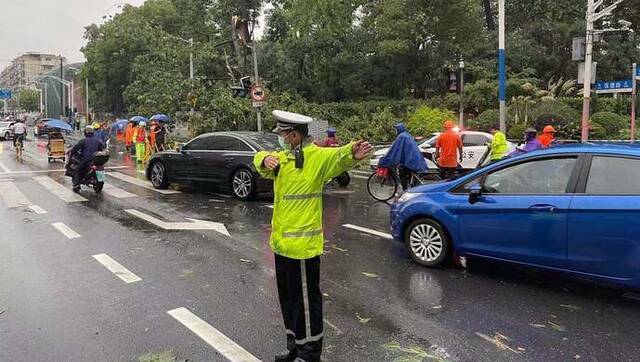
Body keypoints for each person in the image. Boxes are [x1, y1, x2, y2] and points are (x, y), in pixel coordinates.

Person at [253, 110, 373, 362]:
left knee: (306, 304)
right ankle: (294, 346)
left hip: (304, 248)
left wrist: (352, 151)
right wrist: (264, 160)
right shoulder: (284, 159)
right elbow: (260, 160)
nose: (281, 139)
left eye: (283, 135)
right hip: (282, 246)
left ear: (295, 135)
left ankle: (310, 354)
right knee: (288, 300)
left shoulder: (316, 157)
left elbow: (337, 156)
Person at [378, 123, 428, 190]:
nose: (395, 131)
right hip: (415, 159)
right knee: (407, 172)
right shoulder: (406, 135)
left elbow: (394, 150)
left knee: (402, 172)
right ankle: (410, 187)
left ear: (398, 129)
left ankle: (405, 190)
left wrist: (386, 158)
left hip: (411, 161)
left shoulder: (401, 136)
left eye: (396, 129)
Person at [69, 126, 105, 192]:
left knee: (77, 170)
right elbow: (102, 148)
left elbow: (75, 149)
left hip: (86, 160)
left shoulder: (83, 141)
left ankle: (76, 185)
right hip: (96, 160)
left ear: (85, 133)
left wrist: (72, 153)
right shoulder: (98, 140)